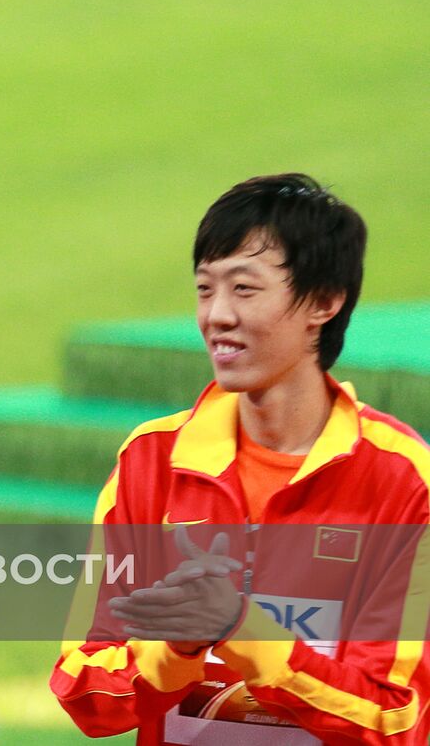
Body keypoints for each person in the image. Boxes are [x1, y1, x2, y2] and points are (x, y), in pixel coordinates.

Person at [51, 174, 430, 744]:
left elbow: (395, 718)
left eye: (244, 290)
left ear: (325, 301)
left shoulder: (401, 480)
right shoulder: (150, 461)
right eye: (205, 290)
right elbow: (85, 691)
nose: (216, 316)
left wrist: (243, 630)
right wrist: (176, 648)